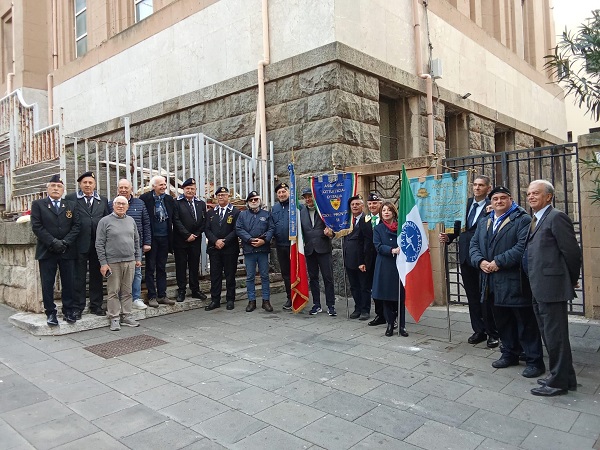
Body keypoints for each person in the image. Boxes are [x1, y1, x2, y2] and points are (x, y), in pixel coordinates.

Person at [470, 186, 545, 378]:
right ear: (491, 202)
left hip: (515, 282)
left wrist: (498, 262)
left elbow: (522, 248)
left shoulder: (523, 220)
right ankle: (509, 353)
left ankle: (534, 360)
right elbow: (474, 245)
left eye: (503, 198)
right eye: (495, 199)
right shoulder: (485, 222)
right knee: (502, 321)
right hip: (491, 281)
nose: (499, 202)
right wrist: (480, 262)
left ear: (510, 199)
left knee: (525, 322)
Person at [525, 180, 581, 396]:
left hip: (551, 286)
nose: (530, 197)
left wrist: (571, 278)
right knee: (550, 335)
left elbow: (572, 252)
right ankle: (564, 376)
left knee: (555, 335)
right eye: (529, 193)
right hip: (539, 285)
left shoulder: (556, 217)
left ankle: (558, 383)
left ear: (549, 196)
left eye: (536, 193)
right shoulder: (537, 219)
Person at [439, 175, 499, 348]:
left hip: (484, 258)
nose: (477, 188)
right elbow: (458, 228)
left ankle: (492, 332)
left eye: (481, 185)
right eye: (475, 185)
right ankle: (478, 330)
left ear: (488, 188)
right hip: (466, 257)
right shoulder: (464, 205)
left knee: (486, 297)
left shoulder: (492, 205)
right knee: (472, 296)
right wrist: (448, 237)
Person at [31, 175, 81, 326]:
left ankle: (69, 311)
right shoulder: (38, 204)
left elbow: (76, 226)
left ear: (63, 189)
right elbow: (37, 226)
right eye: (53, 186)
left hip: (67, 250)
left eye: (59, 186)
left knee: (69, 282)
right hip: (47, 250)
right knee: (48, 283)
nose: (55, 188)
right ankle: (50, 313)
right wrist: (53, 242)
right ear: (47, 189)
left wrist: (65, 242)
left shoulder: (71, 205)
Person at [65, 171, 109, 318]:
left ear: (95, 185)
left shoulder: (102, 200)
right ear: (80, 184)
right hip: (79, 244)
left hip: (97, 245)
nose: (88, 185)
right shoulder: (71, 199)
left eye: (90, 183)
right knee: (79, 277)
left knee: (97, 276)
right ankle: (78, 307)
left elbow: (107, 221)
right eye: (85, 182)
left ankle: (96, 305)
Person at [96, 196, 142, 331]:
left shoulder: (131, 220)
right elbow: (99, 244)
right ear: (113, 205)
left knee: (127, 291)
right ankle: (114, 317)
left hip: (130, 261)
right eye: (118, 204)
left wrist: (138, 258)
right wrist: (103, 263)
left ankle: (127, 315)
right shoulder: (105, 221)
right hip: (113, 262)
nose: (121, 206)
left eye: (124, 204)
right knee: (113, 291)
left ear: (127, 206)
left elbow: (136, 241)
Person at [108, 179, 151, 310]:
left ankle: (136, 298)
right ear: (117, 189)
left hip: (135, 245)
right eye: (121, 187)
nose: (123, 190)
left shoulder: (140, 203)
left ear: (131, 189)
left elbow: (146, 223)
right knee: (118, 275)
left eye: (126, 187)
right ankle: (120, 299)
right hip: (116, 247)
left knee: (136, 273)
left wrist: (147, 242)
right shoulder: (111, 204)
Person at [371, 202, 408, 337]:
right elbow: (378, 246)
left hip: (399, 265)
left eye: (389, 210)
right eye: (384, 210)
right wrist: (392, 250)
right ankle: (390, 323)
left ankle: (402, 326)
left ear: (393, 212)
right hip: (385, 265)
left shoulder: (402, 227)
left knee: (400, 296)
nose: (386, 212)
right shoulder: (378, 229)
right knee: (386, 296)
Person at [140, 175, 176, 307]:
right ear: (153, 186)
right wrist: (146, 240)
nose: (164, 186)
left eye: (164, 184)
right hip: (152, 239)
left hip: (165, 237)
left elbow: (173, 219)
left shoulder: (169, 199)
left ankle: (162, 295)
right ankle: (152, 296)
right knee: (150, 268)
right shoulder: (145, 199)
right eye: (160, 184)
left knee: (162, 267)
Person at [236, 191, 275, 312]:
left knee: (264, 276)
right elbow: (238, 228)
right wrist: (249, 239)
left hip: (263, 249)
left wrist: (264, 240)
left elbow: (271, 228)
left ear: (259, 201)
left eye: (256, 199)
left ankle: (266, 301)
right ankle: (251, 301)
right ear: (247, 202)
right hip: (249, 250)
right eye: (251, 200)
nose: (253, 201)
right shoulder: (242, 215)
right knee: (250, 277)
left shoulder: (267, 214)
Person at [300, 187, 336, 317]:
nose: (308, 199)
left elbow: (333, 229)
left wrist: (331, 233)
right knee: (313, 278)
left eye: (310, 196)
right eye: (306, 197)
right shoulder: (301, 212)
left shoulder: (324, 210)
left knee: (328, 277)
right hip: (309, 249)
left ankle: (331, 305)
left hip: (323, 248)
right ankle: (317, 304)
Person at [204, 187, 240, 311]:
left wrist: (224, 241)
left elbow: (237, 230)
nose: (221, 197)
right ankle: (215, 300)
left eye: (223, 195)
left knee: (230, 275)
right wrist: (216, 241)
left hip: (230, 249)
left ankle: (230, 299)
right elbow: (207, 229)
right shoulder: (211, 212)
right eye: (219, 195)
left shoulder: (235, 212)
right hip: (215, 248)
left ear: (228, 196)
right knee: (215, 275)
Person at [173, 178, 208, 302]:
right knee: (181, 265)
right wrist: (187, 235)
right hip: (181, 240)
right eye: (187, 188)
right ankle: (181, 290)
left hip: (196, 240)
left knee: (194, 265)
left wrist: (196, 234)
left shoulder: (201, 203)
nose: (190, 190)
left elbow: (204, 221)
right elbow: (176, 220)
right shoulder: (176, 202)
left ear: (195, 190)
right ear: (183, 189)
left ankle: (195, 290)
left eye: (192, 188)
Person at [343, 195, 370, 320]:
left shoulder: (367, 219)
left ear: (362, 206)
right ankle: (357, 308)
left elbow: (367, 242)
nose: (354, 206)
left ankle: (365, 310)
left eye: (357, 204)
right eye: (352, 205)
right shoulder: (347, 221)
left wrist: (364, 260)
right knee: (354, 286)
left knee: (364, 286)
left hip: (361, 259)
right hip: (349, 258)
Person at [359, 193, 384, 326]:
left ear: (380, 204)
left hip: (383, 258)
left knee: (383, 286)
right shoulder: (365, 219)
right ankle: (378, 313)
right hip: (369, 259)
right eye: (370, 204)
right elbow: (361, 241)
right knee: (370, 286)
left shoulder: (386, 218)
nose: (372, 206)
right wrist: (361, 261)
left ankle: (388, 313)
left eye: (375, 203)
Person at [271, 182, 292, 310]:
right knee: (285, 273)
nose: (282, 194)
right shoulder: (275, 208)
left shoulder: (296, 206)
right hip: (280, 245)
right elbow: (272, 225)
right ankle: (289, 297)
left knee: (296, 272)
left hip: (293, 245)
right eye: (279, 192)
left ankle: (298, 296)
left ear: (288, 192)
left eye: (284, 192)